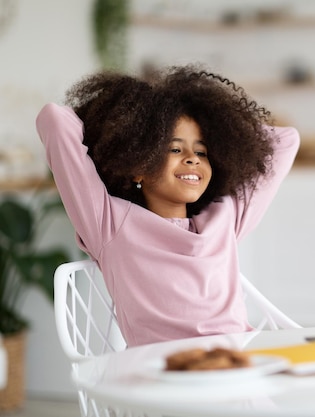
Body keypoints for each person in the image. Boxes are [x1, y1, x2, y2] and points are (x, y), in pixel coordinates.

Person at [36, 64, 300, 347]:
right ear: (138, 162)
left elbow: (285, 140)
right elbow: (54, 120)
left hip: (234, 363)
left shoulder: (226, 216)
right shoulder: (108, 224)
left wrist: (223, 125)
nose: (192, 158)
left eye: (202, 151)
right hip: (160, 371)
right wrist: (116, 126)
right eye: (175, 149)